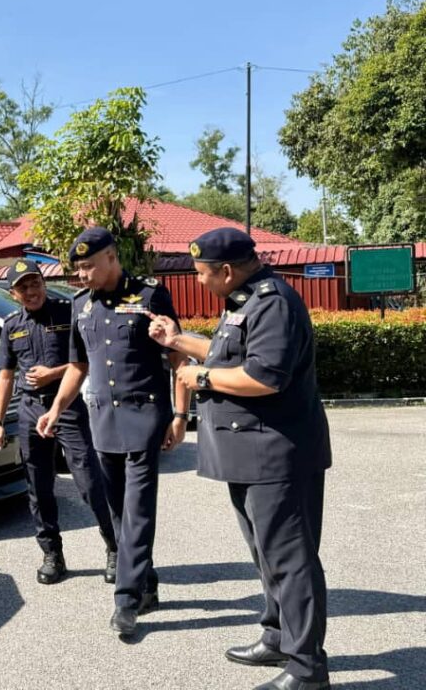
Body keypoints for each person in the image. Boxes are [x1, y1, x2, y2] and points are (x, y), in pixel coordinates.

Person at [147, 227, 331, 690]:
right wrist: (178, 338)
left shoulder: (273, 303)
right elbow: (228, 352)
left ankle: (308, 668)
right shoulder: (246, 302)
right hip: (250, 454)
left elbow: (264, 377)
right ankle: (277, 637)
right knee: (266, 555)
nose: (200, 280)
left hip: (277, 456)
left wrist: (199, 378)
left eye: (202, 274)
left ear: (226, 271)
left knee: (291, 561)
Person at [37, 228, 189, 637]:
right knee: (119, 511)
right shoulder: (80, 306)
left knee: (138, 511)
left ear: (111, 257)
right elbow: (78, 366)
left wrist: (180, 415)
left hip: (144, 420)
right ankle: (147, 581)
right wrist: (55, 410)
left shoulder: (149, 296)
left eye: (88, 265)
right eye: (78, 268)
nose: (82, 274)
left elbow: (176, 355)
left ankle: (126, 600)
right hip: (102, 422)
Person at [0, 259, 117, 585]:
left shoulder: (67, 312)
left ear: (43, 285)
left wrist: (53, 373)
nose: (31, 291)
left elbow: (86, 360)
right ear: (14, 293)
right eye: (24, 287)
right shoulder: (11, 325)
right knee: (39, 488)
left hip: (69, 409)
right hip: (30, 411)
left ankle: (115, 547)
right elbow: (6, 376)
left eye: (35, 284)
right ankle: (52, 554)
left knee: (90, 482)